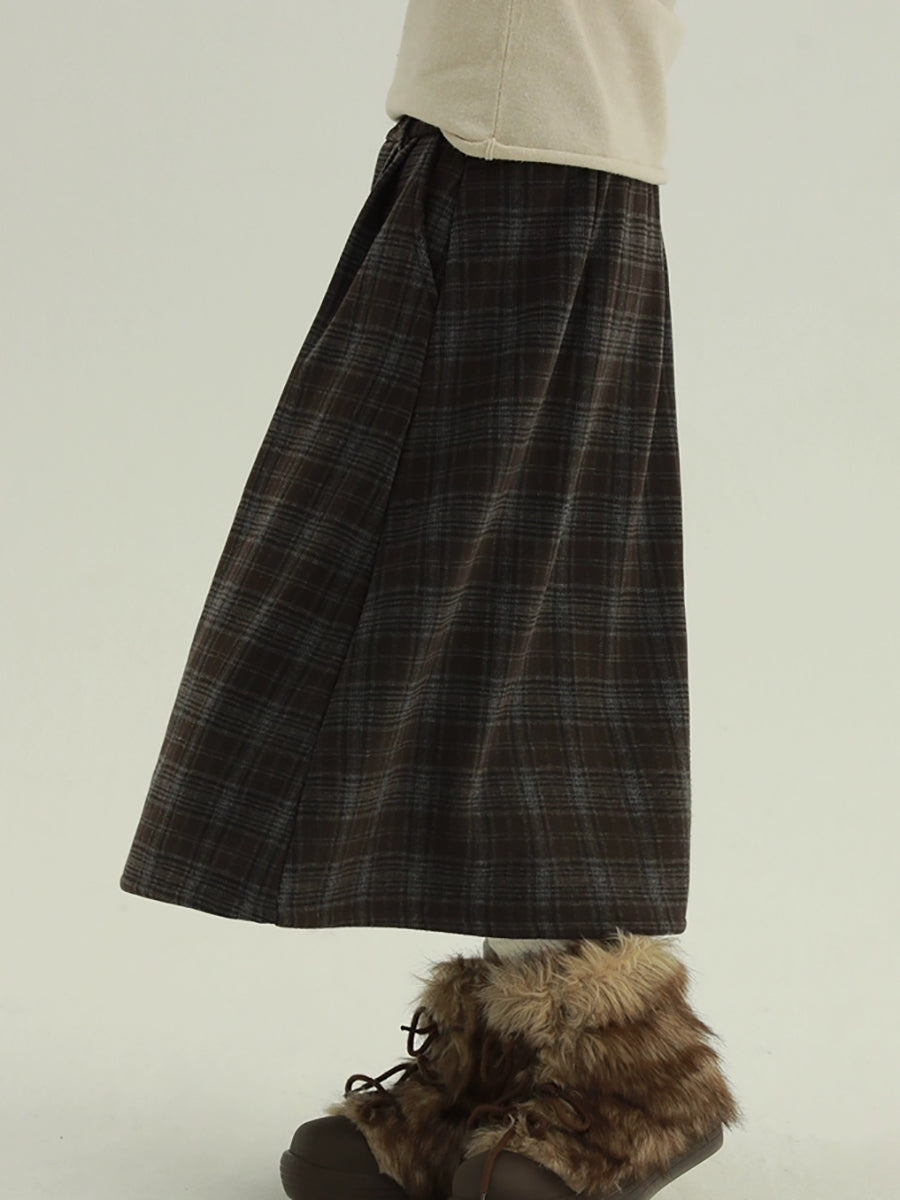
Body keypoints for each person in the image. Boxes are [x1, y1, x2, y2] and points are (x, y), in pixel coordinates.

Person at [118, 4, 743, 1198]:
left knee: (511, 616)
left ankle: (625, 1070)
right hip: (492, 142)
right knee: (509, 625)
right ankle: (522, 1041)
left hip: (534, 154)